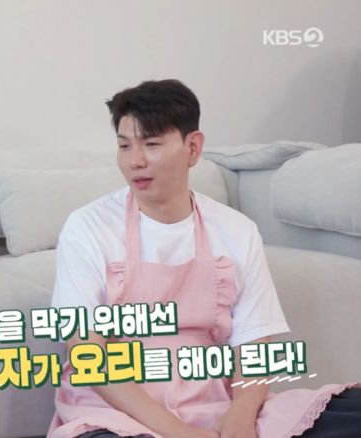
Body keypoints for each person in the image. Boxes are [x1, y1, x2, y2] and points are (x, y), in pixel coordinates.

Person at [48, 79, 361, 438]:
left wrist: (241, 417)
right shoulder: (88, 227)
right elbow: (87, 355)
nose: (135, 161)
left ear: (193, 147)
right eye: (124, 146)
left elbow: (254, 348)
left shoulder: (236, 229)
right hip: (116, 415)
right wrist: (180, 433)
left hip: (214, 406)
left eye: (151, 144)